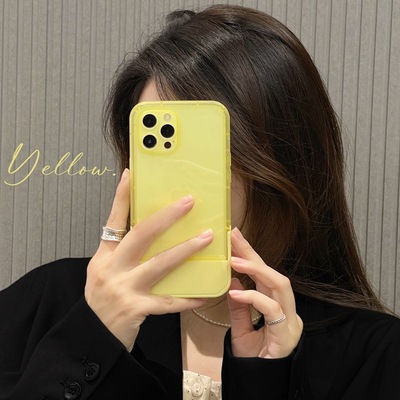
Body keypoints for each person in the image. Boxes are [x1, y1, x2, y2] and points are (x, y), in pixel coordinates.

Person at [0, 4, 399, 400]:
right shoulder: (49, 303)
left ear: (284, 160)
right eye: (152, 148)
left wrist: (267, 383)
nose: (178, 182)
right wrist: (90, 339)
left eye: (202, 148)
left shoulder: (374, 357)